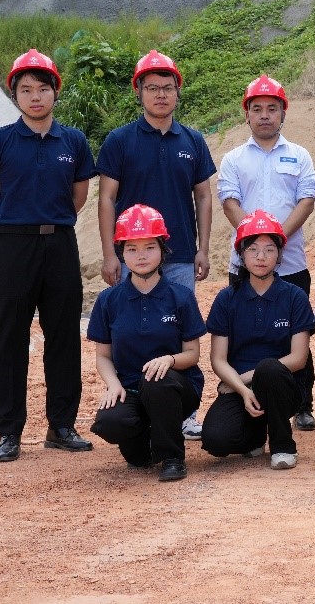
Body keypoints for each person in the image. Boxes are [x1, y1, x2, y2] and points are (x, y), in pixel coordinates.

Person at [0, 49, 97, 463]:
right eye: (26, 90)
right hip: (12, 247)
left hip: (60, 244)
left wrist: (49, 227)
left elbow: (78, 197)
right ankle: (9, 432)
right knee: (8, 338)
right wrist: (15, 232)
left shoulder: (73, 141)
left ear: (55, 93)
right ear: (15, 96)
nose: (35, 96)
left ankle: (61, 426)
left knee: (64, 336)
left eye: (43, 88)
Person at [97, 49, 216, 441]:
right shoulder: (120, 141)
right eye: (152, 88)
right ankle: (133, 403)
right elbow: (107, 198)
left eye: (167, 87)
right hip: (132, 255)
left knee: (179, 334)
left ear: (178, 92)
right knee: (132, 331)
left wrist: (202, 247)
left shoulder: (193, 141)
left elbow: (203, 196)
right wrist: (110, 253)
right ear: (139, 92)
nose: (160, 94)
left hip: (179, 254)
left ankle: (185, 412)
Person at [216, 74, 315, 432]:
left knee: (297, 335)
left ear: (283, 113)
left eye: (272, 108)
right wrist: (255, 245)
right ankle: (239, 396)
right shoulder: (233, 159)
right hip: (245, 265)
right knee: (241, 334)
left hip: (291, 264)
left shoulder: (300, 156)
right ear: (247, 114)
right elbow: (229, 203)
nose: (264, 115)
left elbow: (306, 201)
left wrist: (276, 242)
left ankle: (302, 404)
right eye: (257, 108)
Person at [88, 204, 206, 481]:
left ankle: (172, 457)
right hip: (129, 388)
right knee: (110, 423)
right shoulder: (108, 301)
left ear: (163, 250)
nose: (141, 256)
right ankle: (146, 442)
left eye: (149, 247)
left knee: (157, 380)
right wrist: (113, 385)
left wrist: (169, 360)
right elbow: (103, 356)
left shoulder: (181, 296)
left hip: (175, 388)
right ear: (122, 253)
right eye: (132, 249)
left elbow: (192, 353)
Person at [201, 211, 313, 470]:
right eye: (252, 249)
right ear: (241, 254)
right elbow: (218, 359)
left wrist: (244, 379)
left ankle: (283, 445)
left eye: (269, 249)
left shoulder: (294, 296)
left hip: (283, 387)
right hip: (239, 389)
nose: (261, 257)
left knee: (269, 368)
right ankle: (256, 434)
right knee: (216, 441)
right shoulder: (227, 298)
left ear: (279, 254)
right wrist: (242, 390)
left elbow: (298, 358)